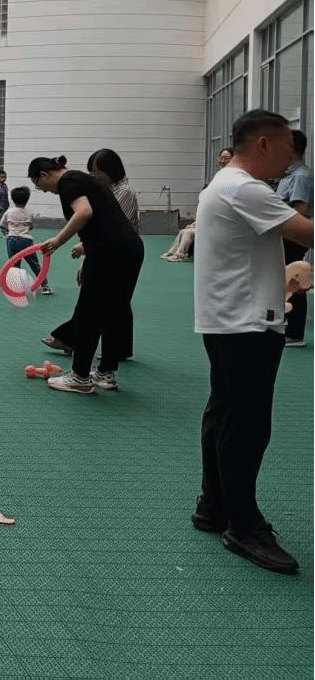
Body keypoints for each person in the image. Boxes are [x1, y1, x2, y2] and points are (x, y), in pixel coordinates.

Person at [191, 109, 313, 575]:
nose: (291, 158)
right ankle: (242, 524)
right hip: (246, 322)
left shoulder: (222, 185)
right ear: (263, 143)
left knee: (224, 413)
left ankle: (214, 505)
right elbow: (307, 232)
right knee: (247, 425)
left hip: (228, 318)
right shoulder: (245, 189)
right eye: (286, 148)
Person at [29, 154, 144, 394]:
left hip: (109, 253)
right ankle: (105, 373)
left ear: (44, 175)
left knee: (88, 313)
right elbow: (105, 222)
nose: (45, 191)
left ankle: (80, 377)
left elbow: (84, 213)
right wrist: (89, 254)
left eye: (40, 186)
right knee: (115, 312)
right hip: (129, 250)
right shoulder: (83, 179)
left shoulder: (68, 182)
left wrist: (58, 240)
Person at [275, 129, 311, 347]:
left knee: (294, 278)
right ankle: (288, 323)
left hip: (292, 237)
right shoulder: (289, 175)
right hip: (285, 234)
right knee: (285, 278)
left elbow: (300, 211)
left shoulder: (300, 176)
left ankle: (295, 332)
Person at [1, 186, 52, 295]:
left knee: (14, 264)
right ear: (27, 200)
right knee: (34, 264)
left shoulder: (9, 212)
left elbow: (2, 225)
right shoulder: (29, 213)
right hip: (26, 241)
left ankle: (17, 287)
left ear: (13, 199)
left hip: (12, 240)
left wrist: (7, 230)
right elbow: (31, 226)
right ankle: (45, 286)